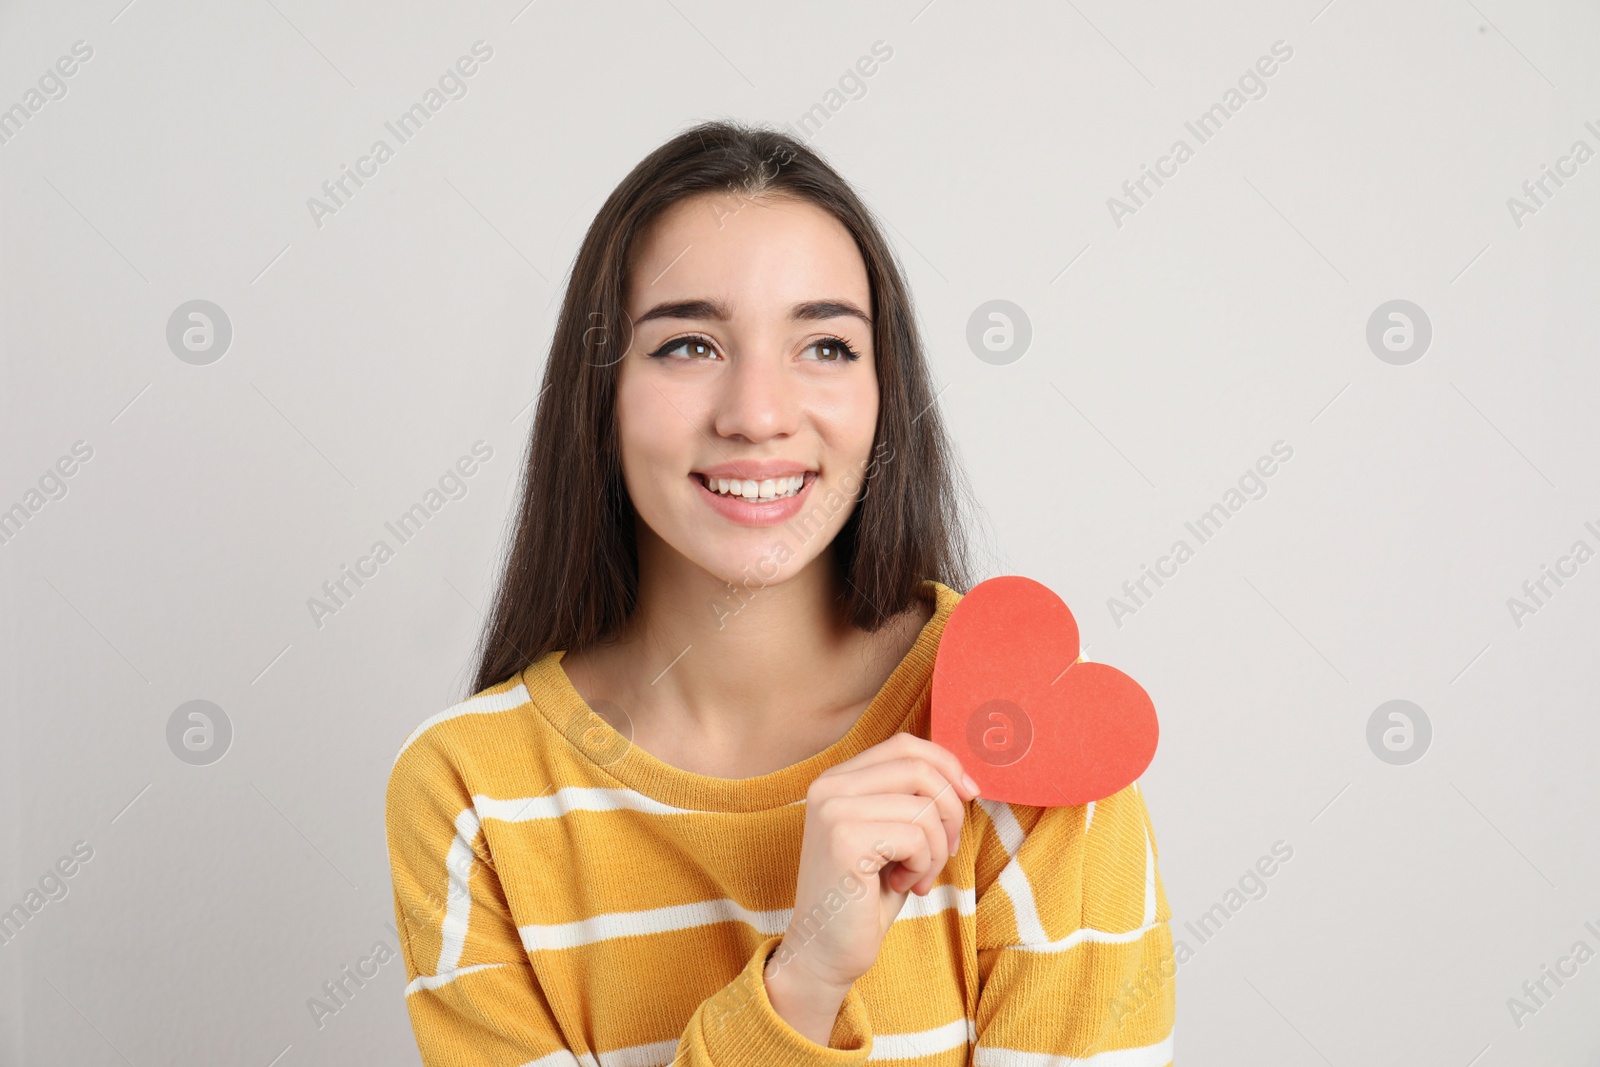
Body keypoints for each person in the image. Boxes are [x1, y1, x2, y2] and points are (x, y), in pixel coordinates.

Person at [385, 119, 1176, 1065]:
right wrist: (801, 983)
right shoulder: (471, 794)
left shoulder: (1031, 746)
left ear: (887, 390)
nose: (758, 414)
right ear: (600, 389)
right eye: (687, 345)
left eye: (827, 347)